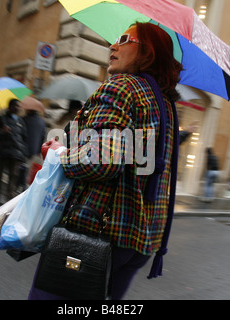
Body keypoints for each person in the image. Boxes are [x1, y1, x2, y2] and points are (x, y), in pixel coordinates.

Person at [29, 22, 183, 300]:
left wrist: (60, 154)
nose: (113, 45)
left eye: (125, 39)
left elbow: (100, 161)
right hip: (142, 238)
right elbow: (138, 159)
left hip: (100, 231)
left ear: (147, 51)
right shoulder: (165, 104)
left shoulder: (122, 88)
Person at [0, 99, 29, 204]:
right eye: (16, 106)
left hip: (16, 155)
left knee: (13, 178)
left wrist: (24, 153)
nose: (19, 108)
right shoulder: (0, 119)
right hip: (2, 153)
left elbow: (25, 138)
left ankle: (9, 200)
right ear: (10, 107)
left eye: (19, 106)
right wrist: (2, 131)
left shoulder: (21, 122)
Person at [17, 109, 46, 191]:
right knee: (27, 167)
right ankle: (23, 186)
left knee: (20, 167)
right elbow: (42, 137)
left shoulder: (23, 119)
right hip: (34, 150)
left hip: (21, 148)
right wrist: (39, 150)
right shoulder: (42, 122)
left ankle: (19, 184)